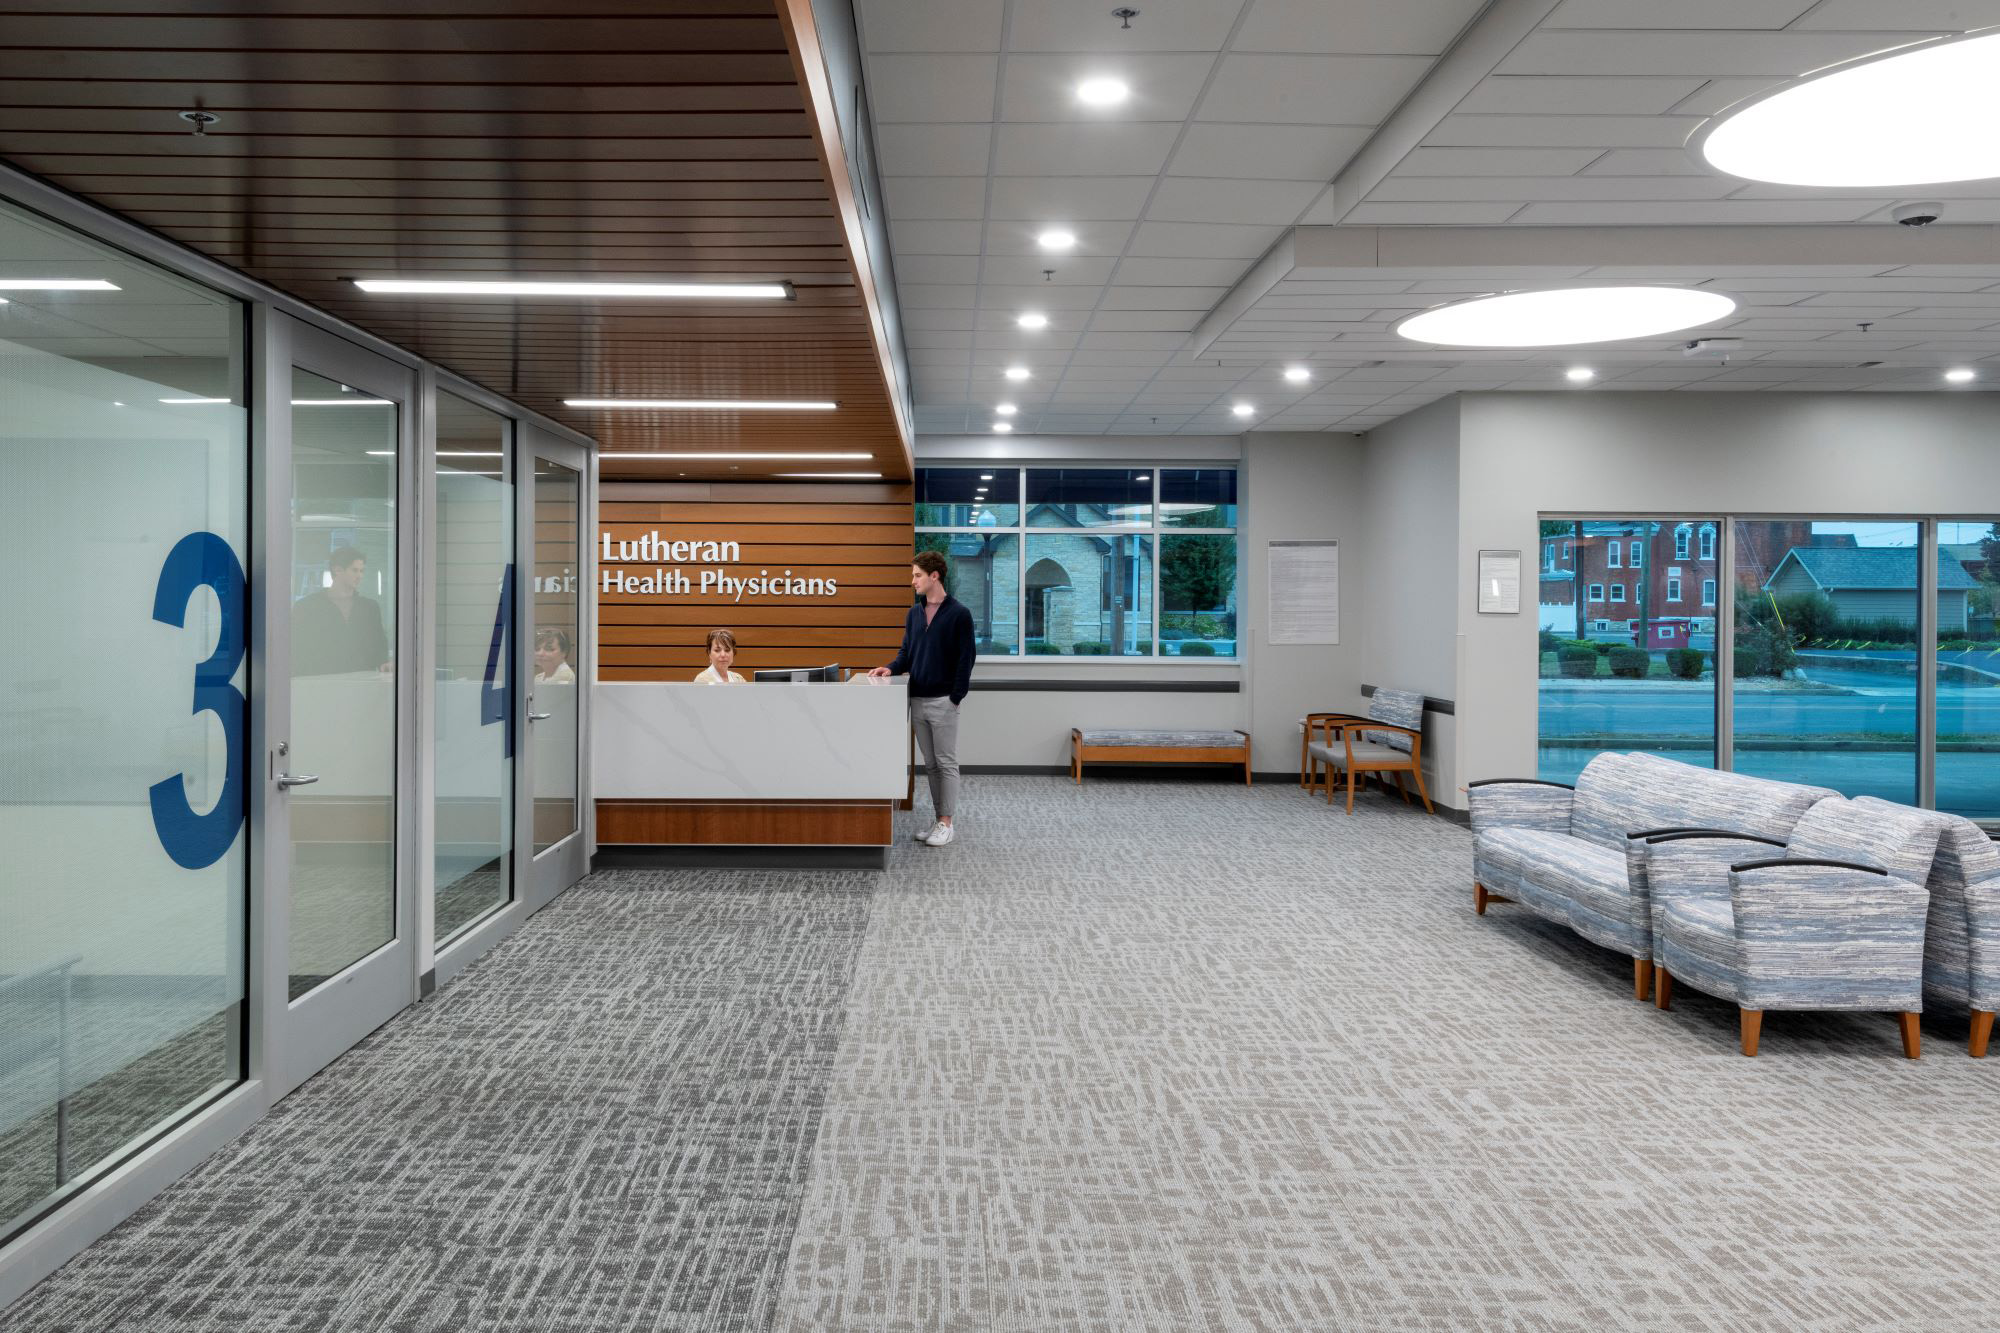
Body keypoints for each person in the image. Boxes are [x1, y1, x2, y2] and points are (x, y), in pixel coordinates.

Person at [870, 550, 974, 846]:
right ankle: (938, 819)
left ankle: (947, 822)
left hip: (944, 701)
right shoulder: (914, 613)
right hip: (918, 700)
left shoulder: (959, 614)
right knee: (929, 765)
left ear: (934, 576)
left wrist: (956, 697)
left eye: (917, 575)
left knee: (946, 763)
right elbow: (907, 654)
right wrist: (889, 668)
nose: (912, 581)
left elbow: (966, 660)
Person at [292, 545, 390, 675]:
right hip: (321, 682)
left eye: (362, 571)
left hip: (362, 683)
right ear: (338, 570)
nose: (360, 576)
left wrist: (384, 662)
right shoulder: (307, 607)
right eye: (354, 570)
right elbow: (297, 648)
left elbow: (379, 643)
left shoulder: (370, 608)